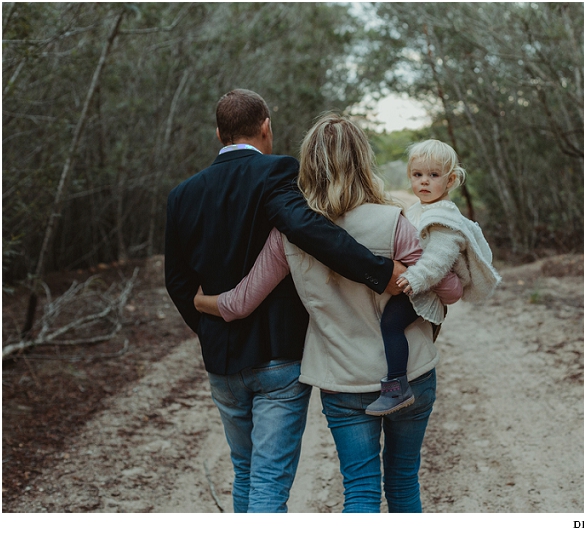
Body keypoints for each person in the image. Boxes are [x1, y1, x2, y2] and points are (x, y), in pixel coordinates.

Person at [193, 114, 463, 512]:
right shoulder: (394, 222)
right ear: (363, 161)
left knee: (360, 490)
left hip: (343, 382)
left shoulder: (289, 232)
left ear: (309, 164)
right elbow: (450, 290)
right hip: (412, 374)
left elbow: (240, 303)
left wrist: (199, 300)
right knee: (404, 483)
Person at [164, 90, 406, 513]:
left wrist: (210, 329)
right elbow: (307, 229)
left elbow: (178, 282)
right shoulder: (276, 172)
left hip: (221, 361)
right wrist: (381, 272)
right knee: (269, 482)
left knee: (245, 471)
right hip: (278, 357)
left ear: (218, 133)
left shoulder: (183, 194)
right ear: (266, 127)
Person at [365, 139, 502, 416]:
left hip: (424, 286)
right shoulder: (421, 208)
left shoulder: (443, 217)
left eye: (433, 175)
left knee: (391, 324)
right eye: (418, 175)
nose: (424, 182)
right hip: (420, 283)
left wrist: (415, 278)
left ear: (450, 180)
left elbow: (438, 259)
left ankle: (396, 387)